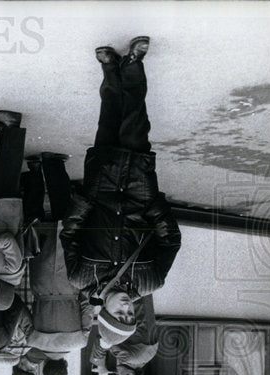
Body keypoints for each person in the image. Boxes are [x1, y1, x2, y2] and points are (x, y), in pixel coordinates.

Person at [60, 37, 181, 344]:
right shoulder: (151, 281)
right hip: (140, 194)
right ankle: (133, 65)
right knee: (135, 129)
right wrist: (153, 205)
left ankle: (111, 71)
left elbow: (70, 234)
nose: (128, 310)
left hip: (99, 193)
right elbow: (170, 242)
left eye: (120, 316)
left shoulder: (80, 277)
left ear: (103, 313)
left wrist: (85, 203)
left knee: (108, 127)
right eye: (131, 317)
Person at [18, 155, 94, 375]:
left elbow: (87, 306)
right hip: (40, 285)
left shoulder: (80, 341)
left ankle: (53, 165)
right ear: (45, 365)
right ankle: (33, 170)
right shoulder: (33, 341)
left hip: (68, 283)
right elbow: (21, 312)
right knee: (35, 225)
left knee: (64, 223)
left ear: (65, 364)